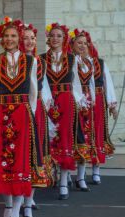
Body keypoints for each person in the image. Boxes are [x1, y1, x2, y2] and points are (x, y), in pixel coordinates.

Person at [0, 17, 38, 217]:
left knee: (21, 165)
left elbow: (33, 93)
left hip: (23, 116)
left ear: (19, 39)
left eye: (13, 36)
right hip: (3, 115)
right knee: (4, 164)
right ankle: (8, 207)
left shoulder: (31, 62)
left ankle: (15, 213)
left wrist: (30, 116)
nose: (10, 39)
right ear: (1, 39)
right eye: (6, 36)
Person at [41, 22, 87, 200]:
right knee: (48, 139)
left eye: (59, 36)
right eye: (52, 35)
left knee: (66, 140)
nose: (55, 38)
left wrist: (79, 102)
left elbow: (76, 84)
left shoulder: (71, 58)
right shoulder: (41, 58)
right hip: (49, 101)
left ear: (64, 39)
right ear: (48, 38)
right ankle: (49, 175)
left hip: (67, 102)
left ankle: (64, 181)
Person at [20, 23, 53, 217]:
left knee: (35, 151)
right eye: (26, 38)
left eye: (32, 38)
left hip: (36, 109)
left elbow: (44, 87)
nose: (30, 41)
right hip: (18, 108)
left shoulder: (40, 62)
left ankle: (28, 200)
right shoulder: (9, 62)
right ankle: (18, 199)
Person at [69, 29, 99, 192]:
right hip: (74, 102)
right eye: (79, 43)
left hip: (87, 104)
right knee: (71, 138)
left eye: (84, 43)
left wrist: (92, 98)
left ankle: (80, 176)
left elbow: (92, 82)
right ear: (72, 44)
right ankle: (65, 175)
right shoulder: (69, 61)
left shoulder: (88, 62)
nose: (82, 46)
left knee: (85, 139)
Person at [87, 34, 117, 185]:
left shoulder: (100, 63)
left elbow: (108, 83)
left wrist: (112, 104)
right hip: (84, 102)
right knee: (83, 135)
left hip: (98, 101)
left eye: (87, 44)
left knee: (97, 134)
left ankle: (96, 169)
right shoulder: (75, 62)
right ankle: (78, 172)